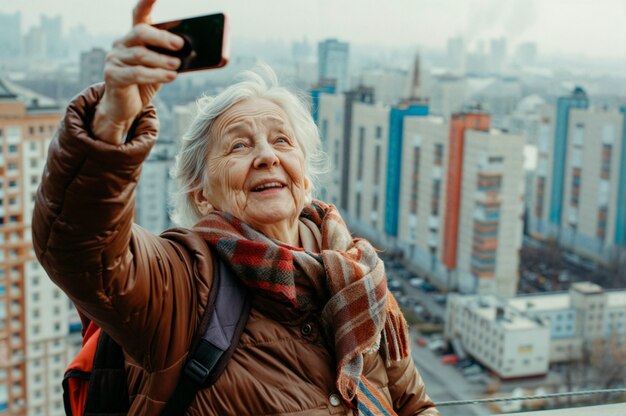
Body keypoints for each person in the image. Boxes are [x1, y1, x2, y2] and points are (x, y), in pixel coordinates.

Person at [32, 0, 439, 414]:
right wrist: (112, 123)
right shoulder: (183, 284)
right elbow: (82, 249)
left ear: (305, 175)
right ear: (201, 194)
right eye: (239, 145)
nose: (267, 156)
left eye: (282, 141)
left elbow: (413, 405)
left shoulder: (358, 275)